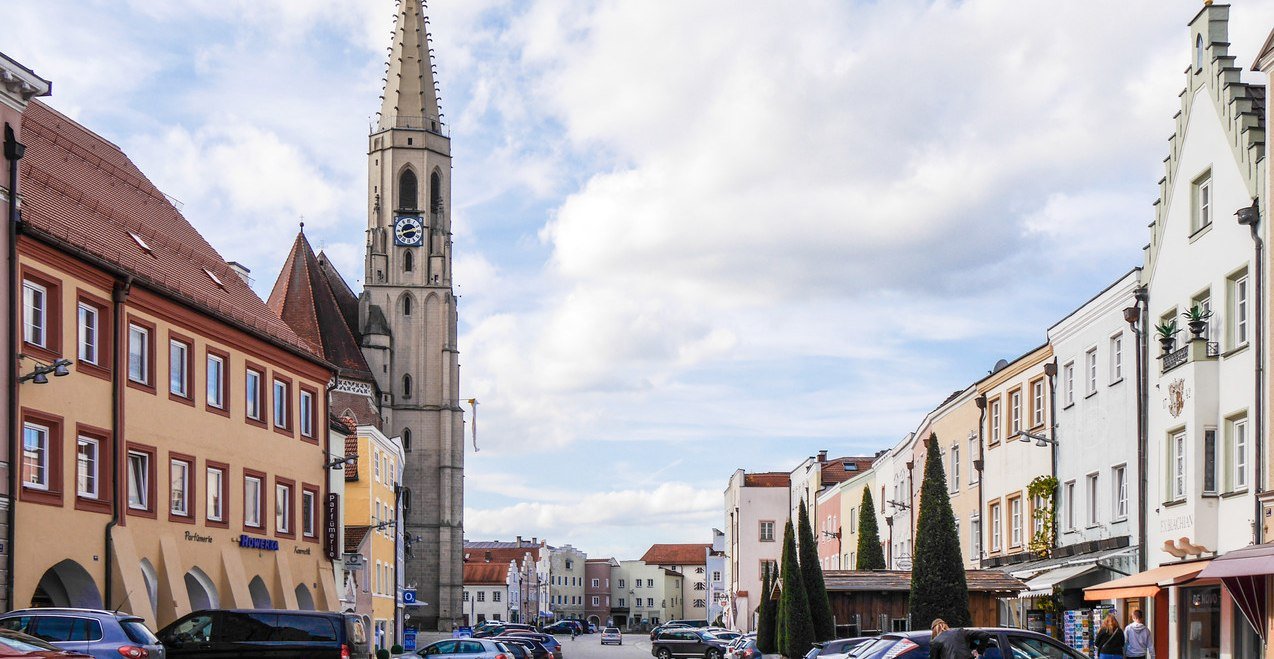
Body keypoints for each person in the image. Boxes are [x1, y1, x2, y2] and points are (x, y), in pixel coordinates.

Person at [930, 619, 996, 659]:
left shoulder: (935, 641)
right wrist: (979, 651)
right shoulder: (960, 632)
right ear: (946, 626)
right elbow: (985, 635)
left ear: (934, 631)